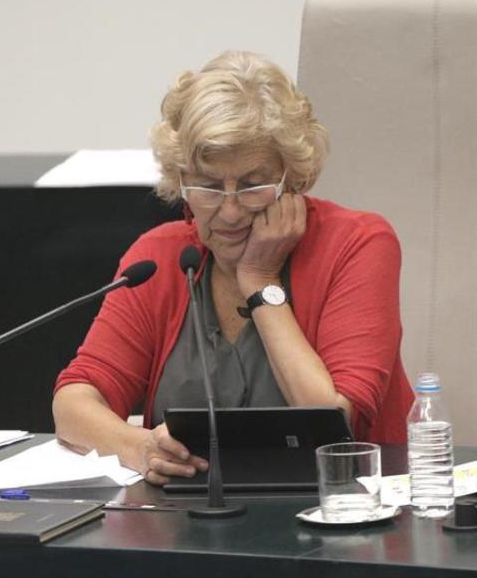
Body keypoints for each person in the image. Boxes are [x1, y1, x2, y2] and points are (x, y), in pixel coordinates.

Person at [52, 51, 414, 485]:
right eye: (206, 187)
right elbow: (73, 403)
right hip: (186, 526)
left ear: (291, 179)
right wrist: (139, 447)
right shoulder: (161, 257)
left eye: (251, 186)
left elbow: (330, 426)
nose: (228, 212)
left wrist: (260, 281)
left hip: (342, 513)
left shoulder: (357, 244)